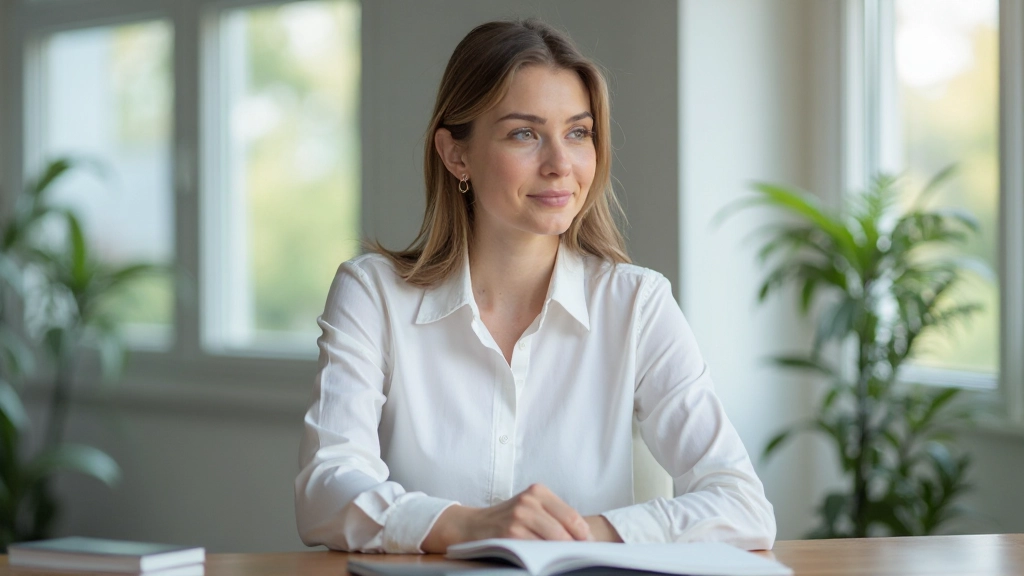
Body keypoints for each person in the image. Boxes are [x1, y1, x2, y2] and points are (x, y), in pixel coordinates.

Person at [294, 18, 776, 554]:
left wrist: (577, 536)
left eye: (578, 133)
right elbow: (325, 490)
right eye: (524, 134)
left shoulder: (638, 305)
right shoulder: (373, 294)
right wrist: (469, 526)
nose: (560, 164)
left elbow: (742, 505)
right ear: (455, 154)